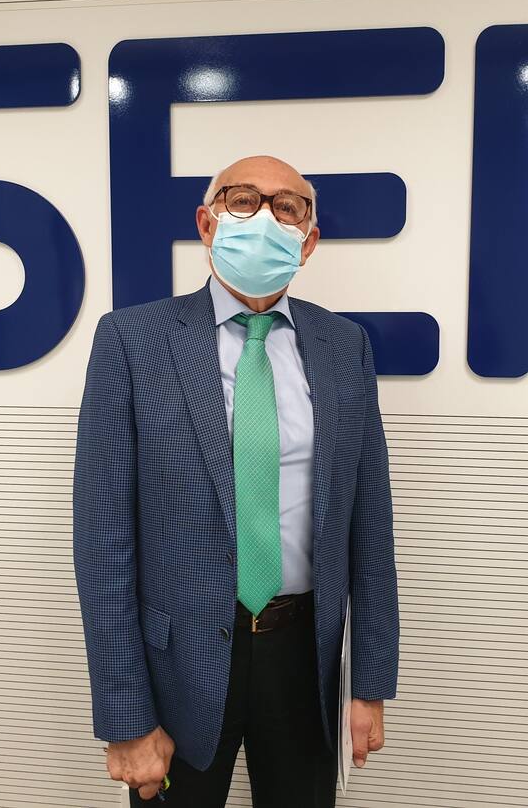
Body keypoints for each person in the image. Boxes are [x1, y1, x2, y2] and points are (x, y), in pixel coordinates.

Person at [72, 154, 398, 807]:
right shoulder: (133, 341)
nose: (265, 218)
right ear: (207, 223)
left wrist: (369, 683)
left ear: (308, 241)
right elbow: (103, 543)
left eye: (287, 207)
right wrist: (125, 715)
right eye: (244, 199)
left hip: (306, 658)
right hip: (178, 665)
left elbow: (370, 527)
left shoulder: (344, 346)